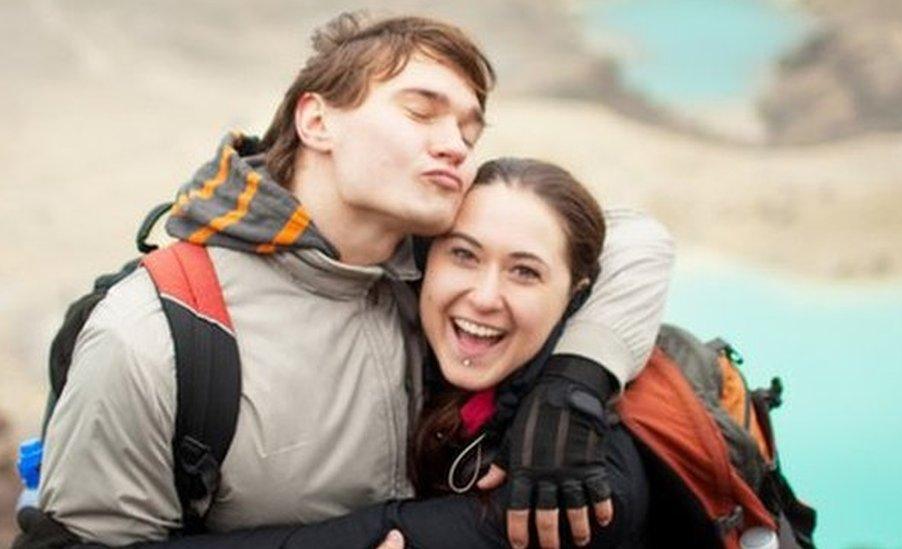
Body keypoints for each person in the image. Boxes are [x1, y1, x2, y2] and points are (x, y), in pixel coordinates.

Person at [33, 12, 673, 547]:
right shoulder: (153, 337)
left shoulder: (430, 262)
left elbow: (633, 240)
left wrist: (573, 383)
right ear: (316, 121)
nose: (454, 143)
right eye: (422, 113)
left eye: (468, 129)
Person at [148, 158, 652, 549]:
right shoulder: (407, 341)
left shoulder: (585, 479)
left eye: (525, 271)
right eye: (463, 254)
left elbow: (375, 535)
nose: (483, 295)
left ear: (576, 295)